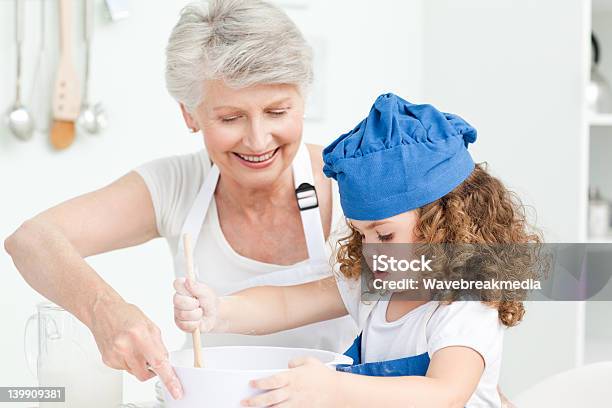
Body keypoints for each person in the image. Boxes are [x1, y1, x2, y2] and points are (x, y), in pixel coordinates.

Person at [4, 0, 357, 401]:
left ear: (303, 101)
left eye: (277, 111)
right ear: (190, 115)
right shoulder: (177, 185)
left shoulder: (358, 183)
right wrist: (104, 310)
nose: (258, 140)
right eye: (230, 118)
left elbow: (440, 278)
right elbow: (30, 239)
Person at [173, 93, 541, 407]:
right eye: (361, 235)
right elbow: (286, 304)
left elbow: (443, 394)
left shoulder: (463, 304)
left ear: (443, 229)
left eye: (384, 236)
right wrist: (219, 310)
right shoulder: (377, 283)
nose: (370, 252)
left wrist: (333, 388)